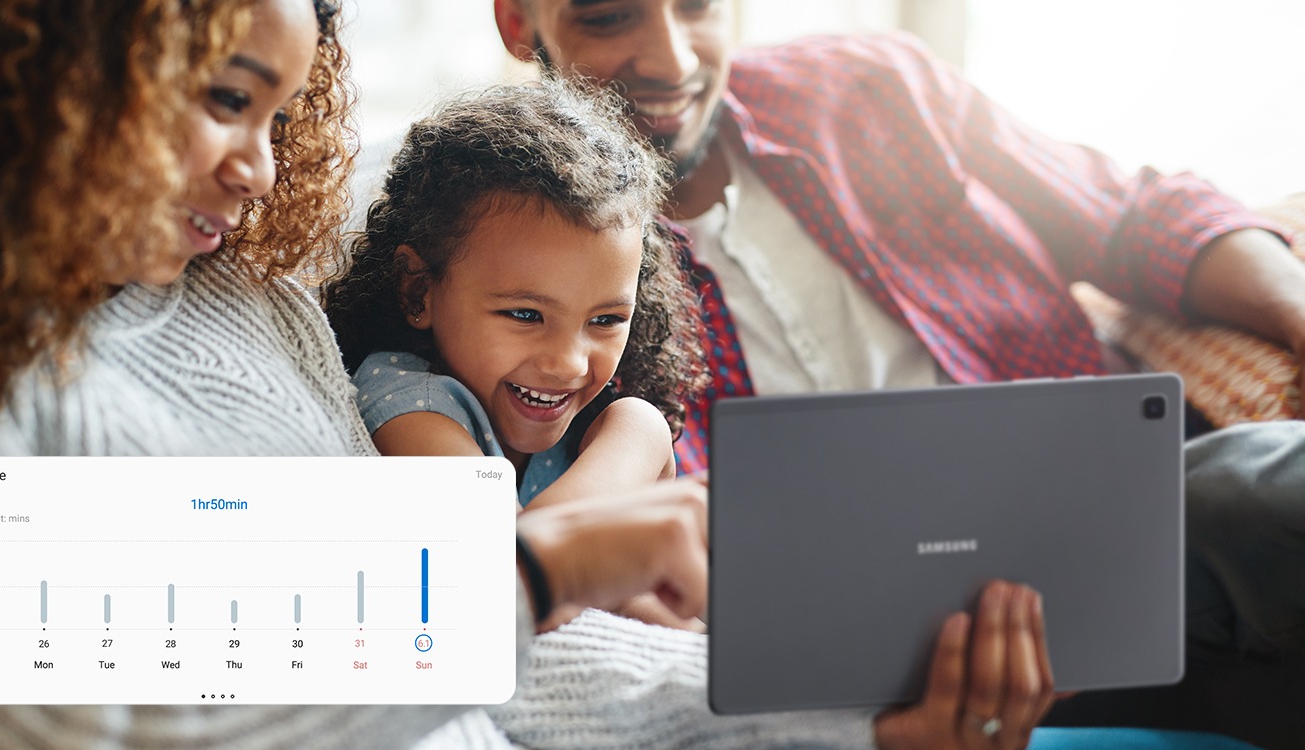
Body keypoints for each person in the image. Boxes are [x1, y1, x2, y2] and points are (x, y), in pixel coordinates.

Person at [0, 0, 1086, 748]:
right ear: (41, 79)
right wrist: (545, 563)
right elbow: (91, 715)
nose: (257, 167)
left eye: (282, 119)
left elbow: (494, 680)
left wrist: (858, 724)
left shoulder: (247, 311)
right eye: (229, 100)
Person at [484, 1, 1305, 746]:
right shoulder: (514, 257)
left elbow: (1135, 217)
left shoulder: (871, 88)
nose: (671, 58)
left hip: (1100, 521)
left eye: (697, 6)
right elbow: (560, 570)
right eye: (609, 17)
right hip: (853, 659)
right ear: (520, 24)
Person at [326, 79, 704, 511]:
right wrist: (642, 435)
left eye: (605, 320)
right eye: (525, 315)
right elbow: (520, 559)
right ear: (419, 290)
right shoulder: (407, 400)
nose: (568, 364)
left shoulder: (593, 417)